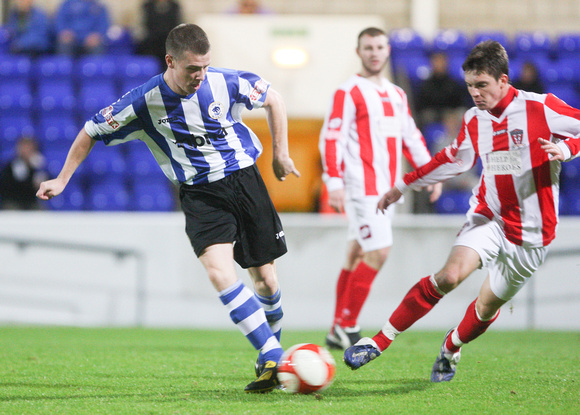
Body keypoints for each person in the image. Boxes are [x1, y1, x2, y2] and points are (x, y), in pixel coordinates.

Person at [36, 23, 300, 393]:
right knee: (219, 272)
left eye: (205, 67)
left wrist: (282, 154)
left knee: (266, 281)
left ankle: (271, 355)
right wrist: (62, 179)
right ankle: (273, 353)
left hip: (245, 180)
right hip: (200, 195)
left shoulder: (226, 82)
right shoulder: (143, 101)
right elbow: (90, 130)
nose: (200, 76)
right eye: (193, 68)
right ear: (170, 61)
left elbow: (275, 99)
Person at [343, 40, 580, 382]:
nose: (475, 93)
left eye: (481, 85)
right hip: (489, 217)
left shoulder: (541, 108)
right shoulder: (474, 118)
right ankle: (379, 341)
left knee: (486, 308)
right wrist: (402, 185)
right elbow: (453, 158)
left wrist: (565, 148)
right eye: (470, 86)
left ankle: (451, 346)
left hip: (532, 234)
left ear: (503, 79)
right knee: (449, 276)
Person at [319, 27, 442, 350]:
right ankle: (348, 325)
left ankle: (337, 327)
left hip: (388, 190)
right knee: (378, 251)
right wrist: (333, 180)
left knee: (357, 251)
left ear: (388, 51)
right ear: (358, 52)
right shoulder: (348, 92)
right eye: (368, 47)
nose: (374, 52)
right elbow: (332, 137)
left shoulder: (396, 94)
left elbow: (410, 137)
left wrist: (431, 173)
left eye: (379, 47)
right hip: (362, 187)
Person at [415, 51, 468, 128]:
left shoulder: (453, 83)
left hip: (451, 114)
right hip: (434, 115)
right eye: (436, 62)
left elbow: (460, 103)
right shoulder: (425, 85)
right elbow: (421, 107)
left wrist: (451, 114)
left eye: (441, 62)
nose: (439, 65)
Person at [0, 136, 48, 210]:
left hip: (31, 203)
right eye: (24, 147)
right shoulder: (11, 166)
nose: (26, 150)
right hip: (13, 202)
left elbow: (47, 182)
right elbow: (7, 187)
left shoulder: (39, 166)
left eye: (29, 147)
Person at [136, 0, 182, 68]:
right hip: (152, 43)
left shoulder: (175, 6)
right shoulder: (147, 6)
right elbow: (143, 27)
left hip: (168, 42)